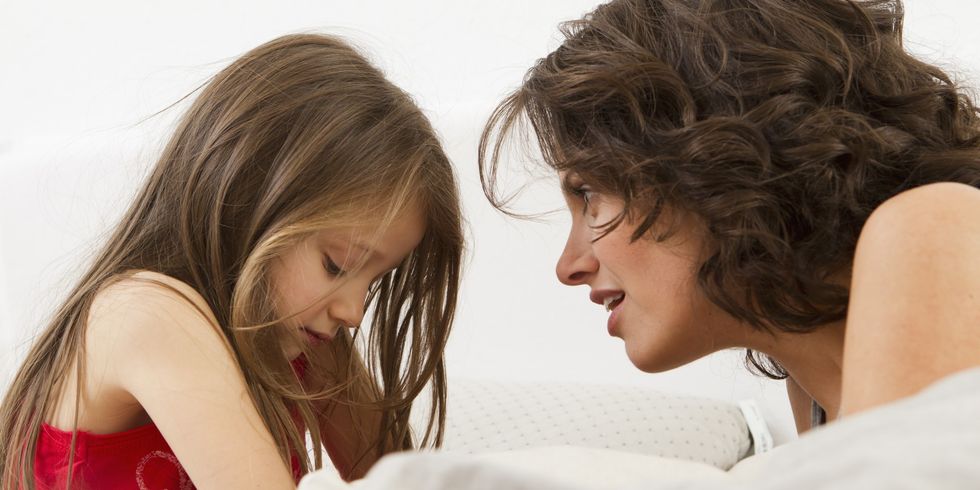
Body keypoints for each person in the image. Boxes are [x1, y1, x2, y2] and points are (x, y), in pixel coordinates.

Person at [480, 0, 980, 435]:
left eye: (589, 195)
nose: (568, 266)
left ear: (710, 158)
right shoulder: (816, 394)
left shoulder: (931, 228)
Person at [0, 33, 463, 489]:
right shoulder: (146, 315)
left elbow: (404, 481)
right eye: (337, 266)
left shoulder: (304, 339)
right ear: (247, 201)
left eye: (374, 279)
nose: (354, 311)